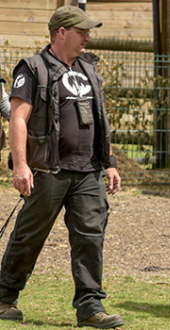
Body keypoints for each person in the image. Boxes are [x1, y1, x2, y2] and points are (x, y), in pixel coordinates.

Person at [0, 6, 124, 329]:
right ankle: (3, 297)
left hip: (88, 172)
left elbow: (100, 120)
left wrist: (109, 163)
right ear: (61, 33)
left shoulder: (89, 69)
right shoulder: (34, 68)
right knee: (29, 236)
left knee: (90, 237)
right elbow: (17, 119)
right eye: (82, 32)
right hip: (48, 170)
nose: (88, 37)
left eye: (88, 32)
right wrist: (21, 166)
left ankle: (90, 307)